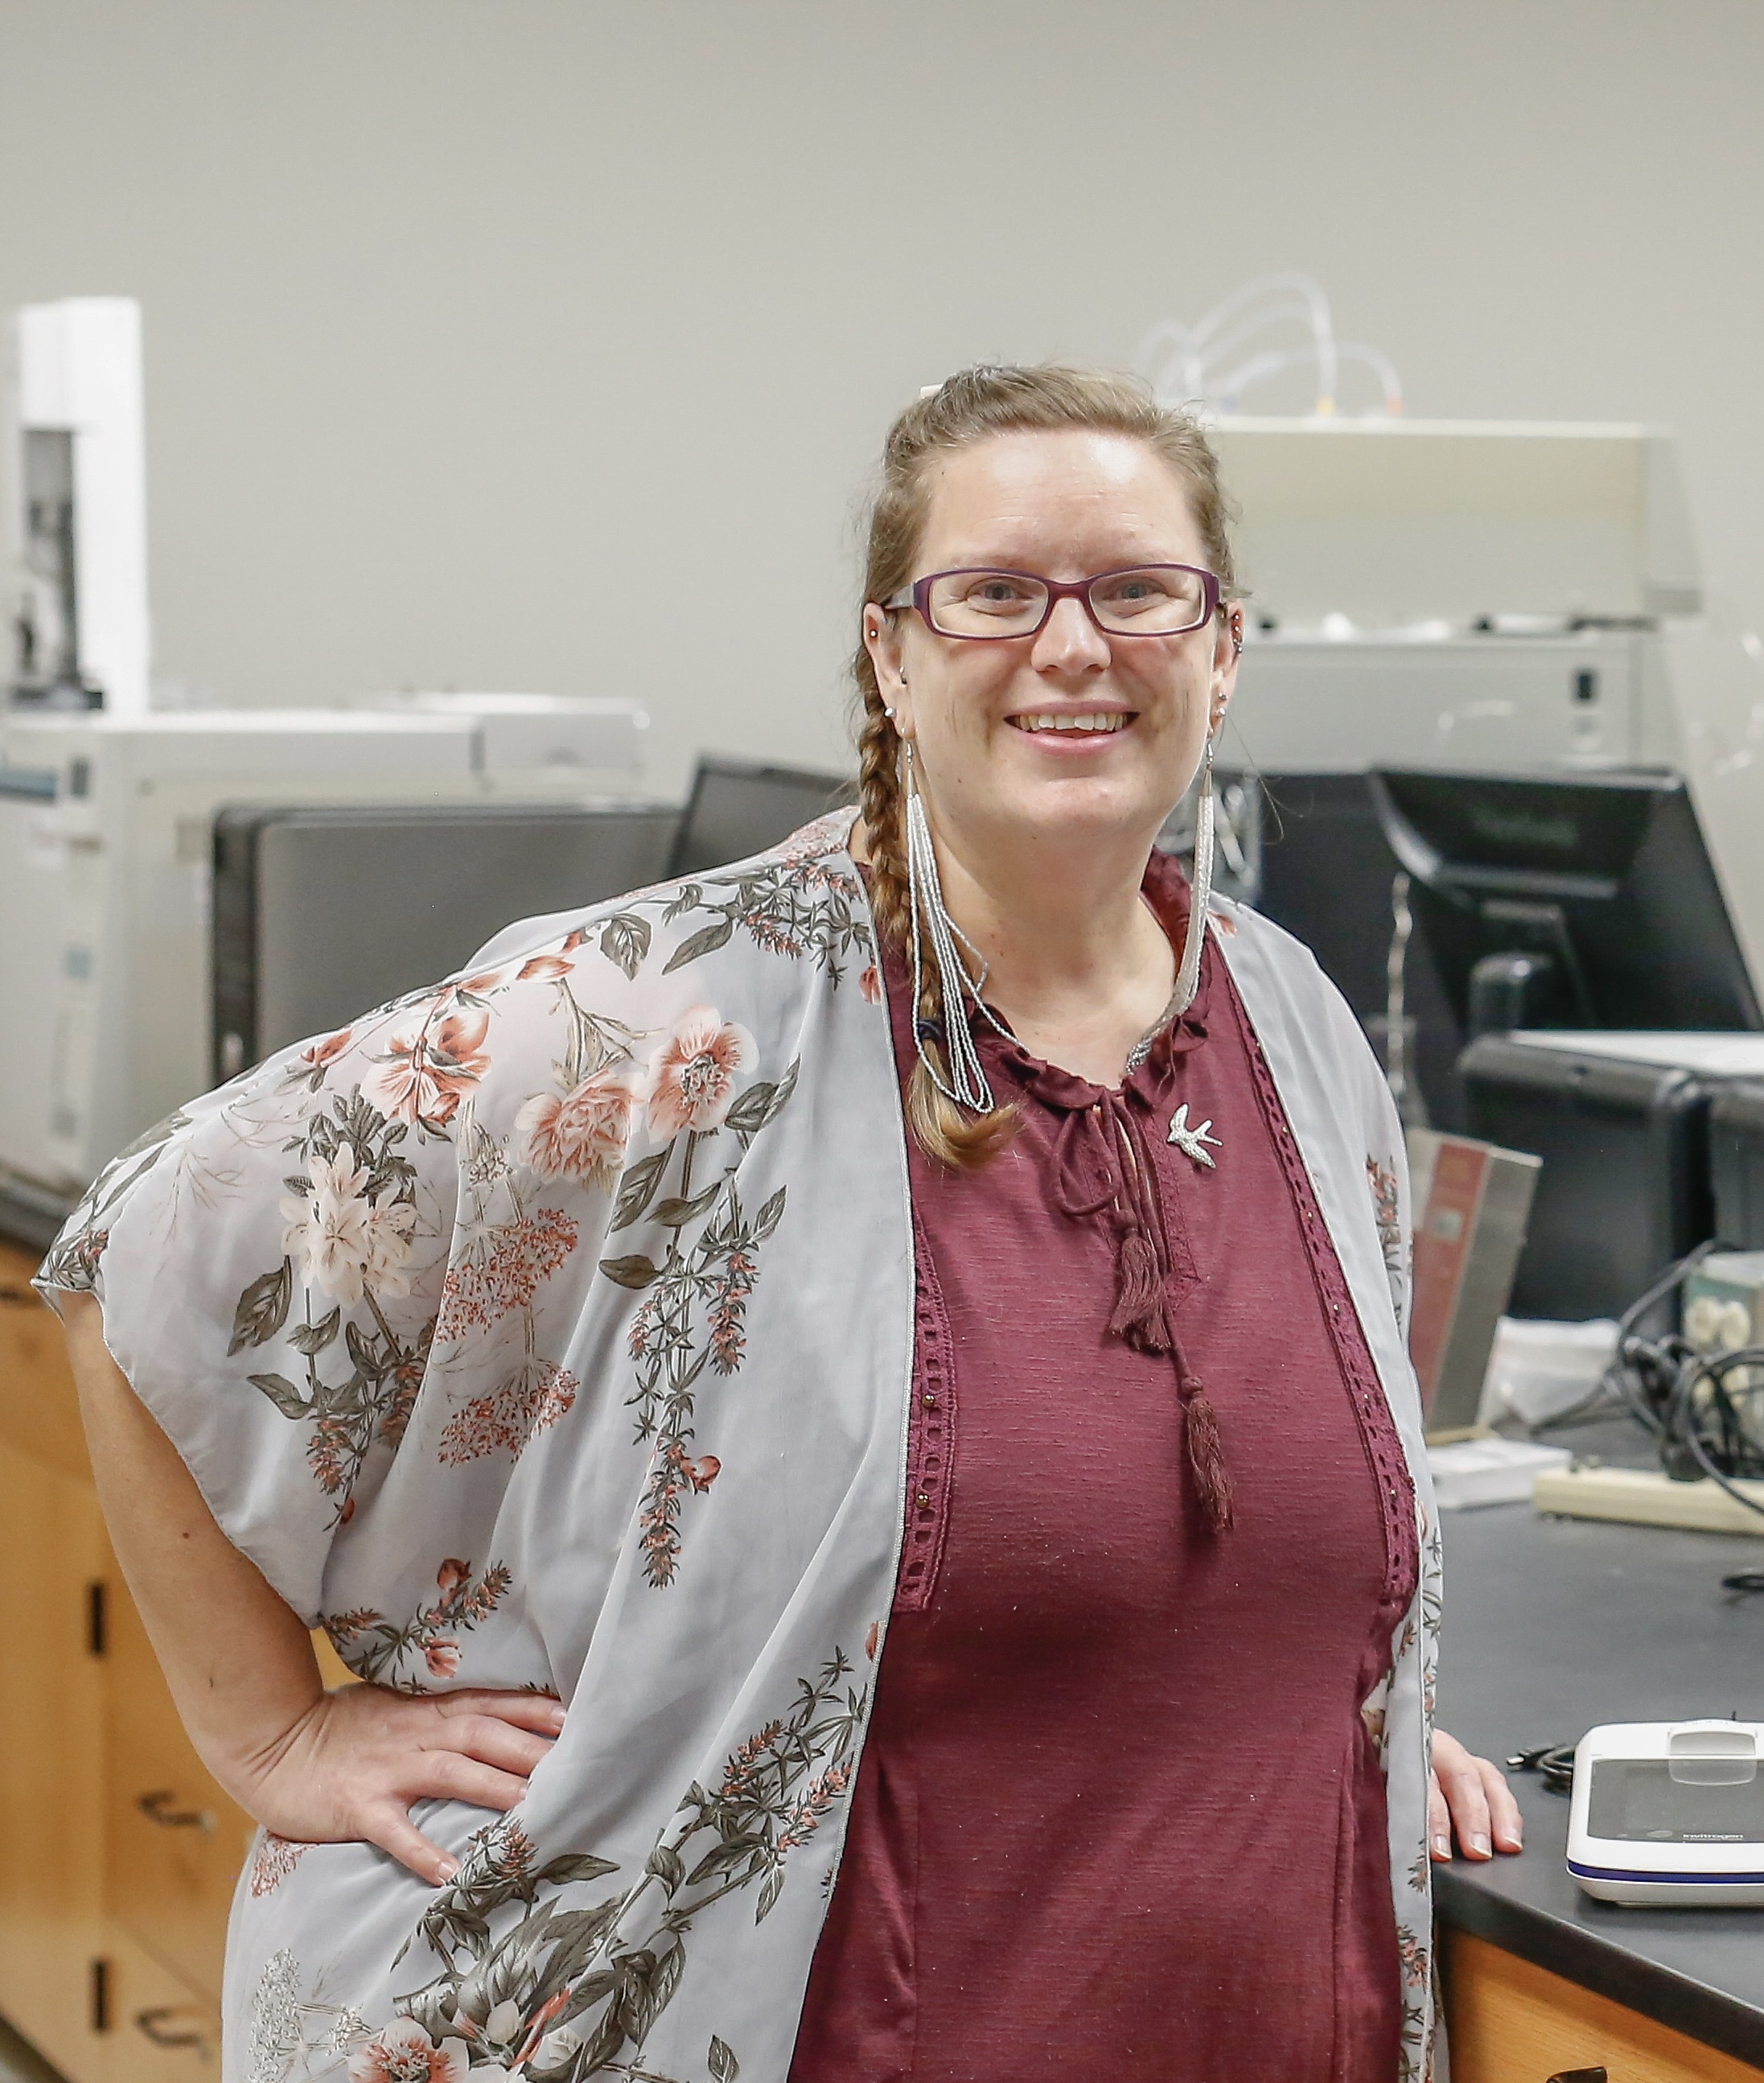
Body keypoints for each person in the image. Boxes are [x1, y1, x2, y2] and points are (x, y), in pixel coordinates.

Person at [49, 364, 1523, 2083]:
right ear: (890, 658)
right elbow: (145, 1252)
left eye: (1137, 589)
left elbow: (1262, 1492)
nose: (1073, 645)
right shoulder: (673, 1018)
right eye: (992, 593)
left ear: (1221, 647)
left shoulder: (1289, 1018)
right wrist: (276, 1730)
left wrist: (1334, 1687)